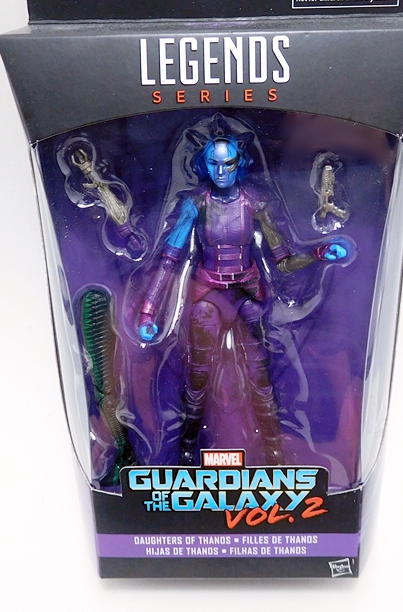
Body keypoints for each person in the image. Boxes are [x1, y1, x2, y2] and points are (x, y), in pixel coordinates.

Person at [136, 114, 353, 466]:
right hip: (208, 295)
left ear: (240, 163)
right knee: (198, 378)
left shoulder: (254, 203)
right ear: (204, 165)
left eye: (229, 164)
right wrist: (149, 311)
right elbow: (170, 258)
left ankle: (273, 448)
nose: (221, 171)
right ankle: (187, 446)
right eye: (214, 164)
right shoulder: (196, 204)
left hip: (248, 295)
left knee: (260, 379)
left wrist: (319, 254)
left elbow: (283, 261)